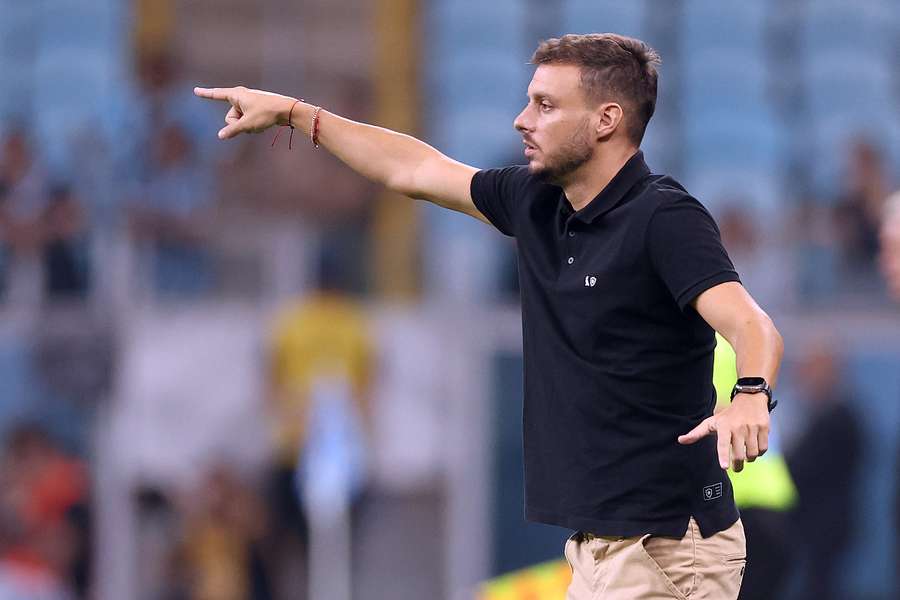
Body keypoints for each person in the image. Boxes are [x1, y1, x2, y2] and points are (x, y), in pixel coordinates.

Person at [195, 32, 784, 600]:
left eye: (545, 105)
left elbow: (751, 324)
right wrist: (297, 114)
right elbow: (413, 170)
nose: (522, 120)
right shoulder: (538, 202)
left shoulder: (664, 217)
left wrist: (751, 394)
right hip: (601, 545)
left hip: (666, 545)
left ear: (606, 119)